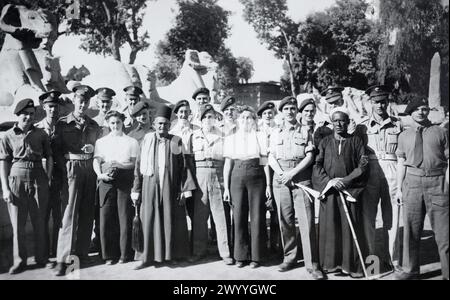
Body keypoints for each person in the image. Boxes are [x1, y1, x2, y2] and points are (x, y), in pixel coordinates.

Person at [131, 105, 197, 270]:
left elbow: (183, 167)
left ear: (169, 125)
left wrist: (184, 189)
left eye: (166, 124)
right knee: (149, 220)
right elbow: (138, 167)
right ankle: (146, 257)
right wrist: (136, 189)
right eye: (159, 124)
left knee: (169, 220)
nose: (162, 127)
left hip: (170, 187)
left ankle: (170, 256)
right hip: (149, 187)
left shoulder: (175, 141)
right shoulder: (146, 140)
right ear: (154, 124)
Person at [268, 96, 324, 279]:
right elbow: (270, 157)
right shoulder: (275, 132)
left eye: (293, 108)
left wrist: (292, 174)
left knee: (307, 221)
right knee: (285, 220)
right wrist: (282, 174)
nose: (290, 112)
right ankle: (289, 257)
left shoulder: (305, 131)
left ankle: (312, 264)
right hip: (281, 178)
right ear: (281, 112)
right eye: (286, 109)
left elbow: (309, 156)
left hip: (300, 177)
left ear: (296, 111)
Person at [395, 97, 449, 280]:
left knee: (444, 234)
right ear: (410, 113)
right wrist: (399, 189)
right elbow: (401, 162)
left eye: (424, 108)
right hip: (412, 184)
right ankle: (410, 271)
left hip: (438, 183)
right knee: (410, 231)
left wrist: (448, 185)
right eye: (416, 109)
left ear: (428, 111)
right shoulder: (403, 135)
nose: (420, 112)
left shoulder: (441, 132)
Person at [312, 108, 368, 278]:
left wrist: (344, 181)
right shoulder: (325, 142)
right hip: (329, 192)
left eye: (342, 120)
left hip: (349, 191)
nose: (338, 124)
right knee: (330, 226)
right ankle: (331, 264)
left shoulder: (356, 141)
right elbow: (317, 165)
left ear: (348, 122)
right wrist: (329, 182)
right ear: (331, 123)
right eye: (335, 121)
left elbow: (363, 165)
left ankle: (350, 266)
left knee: (349, 228)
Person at [53, 84, 101, 276]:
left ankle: (81, 254)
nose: (83, 105)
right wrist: (64, 170)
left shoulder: (93, 124)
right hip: (71, 169)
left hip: (89, 169)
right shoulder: (63, 123)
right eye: (80, 101)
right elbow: (55, 151)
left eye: (86, 101)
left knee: (87, 212)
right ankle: (62, 259)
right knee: (69, 214)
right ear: (74, 101)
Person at [0, 99, 53, 274]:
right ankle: (19, 261)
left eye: (31, 114)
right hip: (17, 176)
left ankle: (42, 258)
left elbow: (49, 156)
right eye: (25, 114)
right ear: (17, 114)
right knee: (18, 223)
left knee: (39, 221)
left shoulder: (41, 134)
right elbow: (3, 163)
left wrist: (48, 176)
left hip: (38, 175)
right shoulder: (7, 136)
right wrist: (6, 188)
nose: (29, 117)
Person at [355, 85, 404, 271]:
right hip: (371, 172)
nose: (380, 105)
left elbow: (402, 155)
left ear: (387, 102)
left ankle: (393, 260)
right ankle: (372, 263)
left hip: (391, 170)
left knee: (392, 217)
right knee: (369, 219)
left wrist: (400, 184)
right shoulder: (362, 126)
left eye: (383, 101)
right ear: (370, 103)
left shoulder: (397, 124)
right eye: (376, 102)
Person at [223, 106, 270, 268]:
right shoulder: (231, 138)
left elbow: (265, 162)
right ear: (237, 120)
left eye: (249, 118)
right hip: (237, 175)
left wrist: (269, 185)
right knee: (238, 215)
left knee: (257, 215)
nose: (245, 121)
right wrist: (226, 188)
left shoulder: (260, 136)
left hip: (257, 175)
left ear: (254, 121)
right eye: (242, 118)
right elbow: (227, 164)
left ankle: (257, 256)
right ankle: (240, 256)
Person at [93, 110, 139, 265]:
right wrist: (100, 175)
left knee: (124, 218)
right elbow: (96, 160)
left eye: (118, 122)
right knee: (106, 218)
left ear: (122, 123)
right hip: (106, 180)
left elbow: (134, 163)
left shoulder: (131, 142)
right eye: (112, 123)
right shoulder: (101, 142)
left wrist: (120, 165)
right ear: (107, 123)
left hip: (124, 180)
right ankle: (108, 255)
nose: (115, 126)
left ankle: (124, 255)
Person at [190, 104, 233, 265]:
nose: (208, 119)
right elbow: (189, 161)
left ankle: (225, 252)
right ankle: (198, 250)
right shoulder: (193, 136)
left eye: (211, 116)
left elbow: (228, 158)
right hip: (200, 174)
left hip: (217, 173)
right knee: (200, 215)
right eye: (205, 117)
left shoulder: (223, 135)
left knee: (220, 215)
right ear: (200, 120)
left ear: (215, 118)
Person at [35, 91, 66, 263]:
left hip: (60, 177)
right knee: (43, 215)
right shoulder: (37, 128)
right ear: (44, 107)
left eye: (56, 106)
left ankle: (58, 250)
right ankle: (44, 253)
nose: (53, 110)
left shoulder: (63, 127)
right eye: (50, 106)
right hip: (42, 177)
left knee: (59, 215)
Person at [256, 101, 281, 255]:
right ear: (261, 115)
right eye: (265, 113)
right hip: (259, 170)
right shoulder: (256, 129)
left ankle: (275, 243)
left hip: (275, 169)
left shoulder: (278, 129)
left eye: (270, 113)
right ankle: (261, 245)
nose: (268, 115)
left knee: (276, 210)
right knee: (260, 208)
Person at [169, 100, 198, 229]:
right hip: (179, 166)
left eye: (186, 111)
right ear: (176, 114)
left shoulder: (196, 129)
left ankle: (194, 242)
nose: (184, 115)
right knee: (179, 203)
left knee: (194, 205)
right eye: (181, 112)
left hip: (194, 165)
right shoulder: (172, 132)